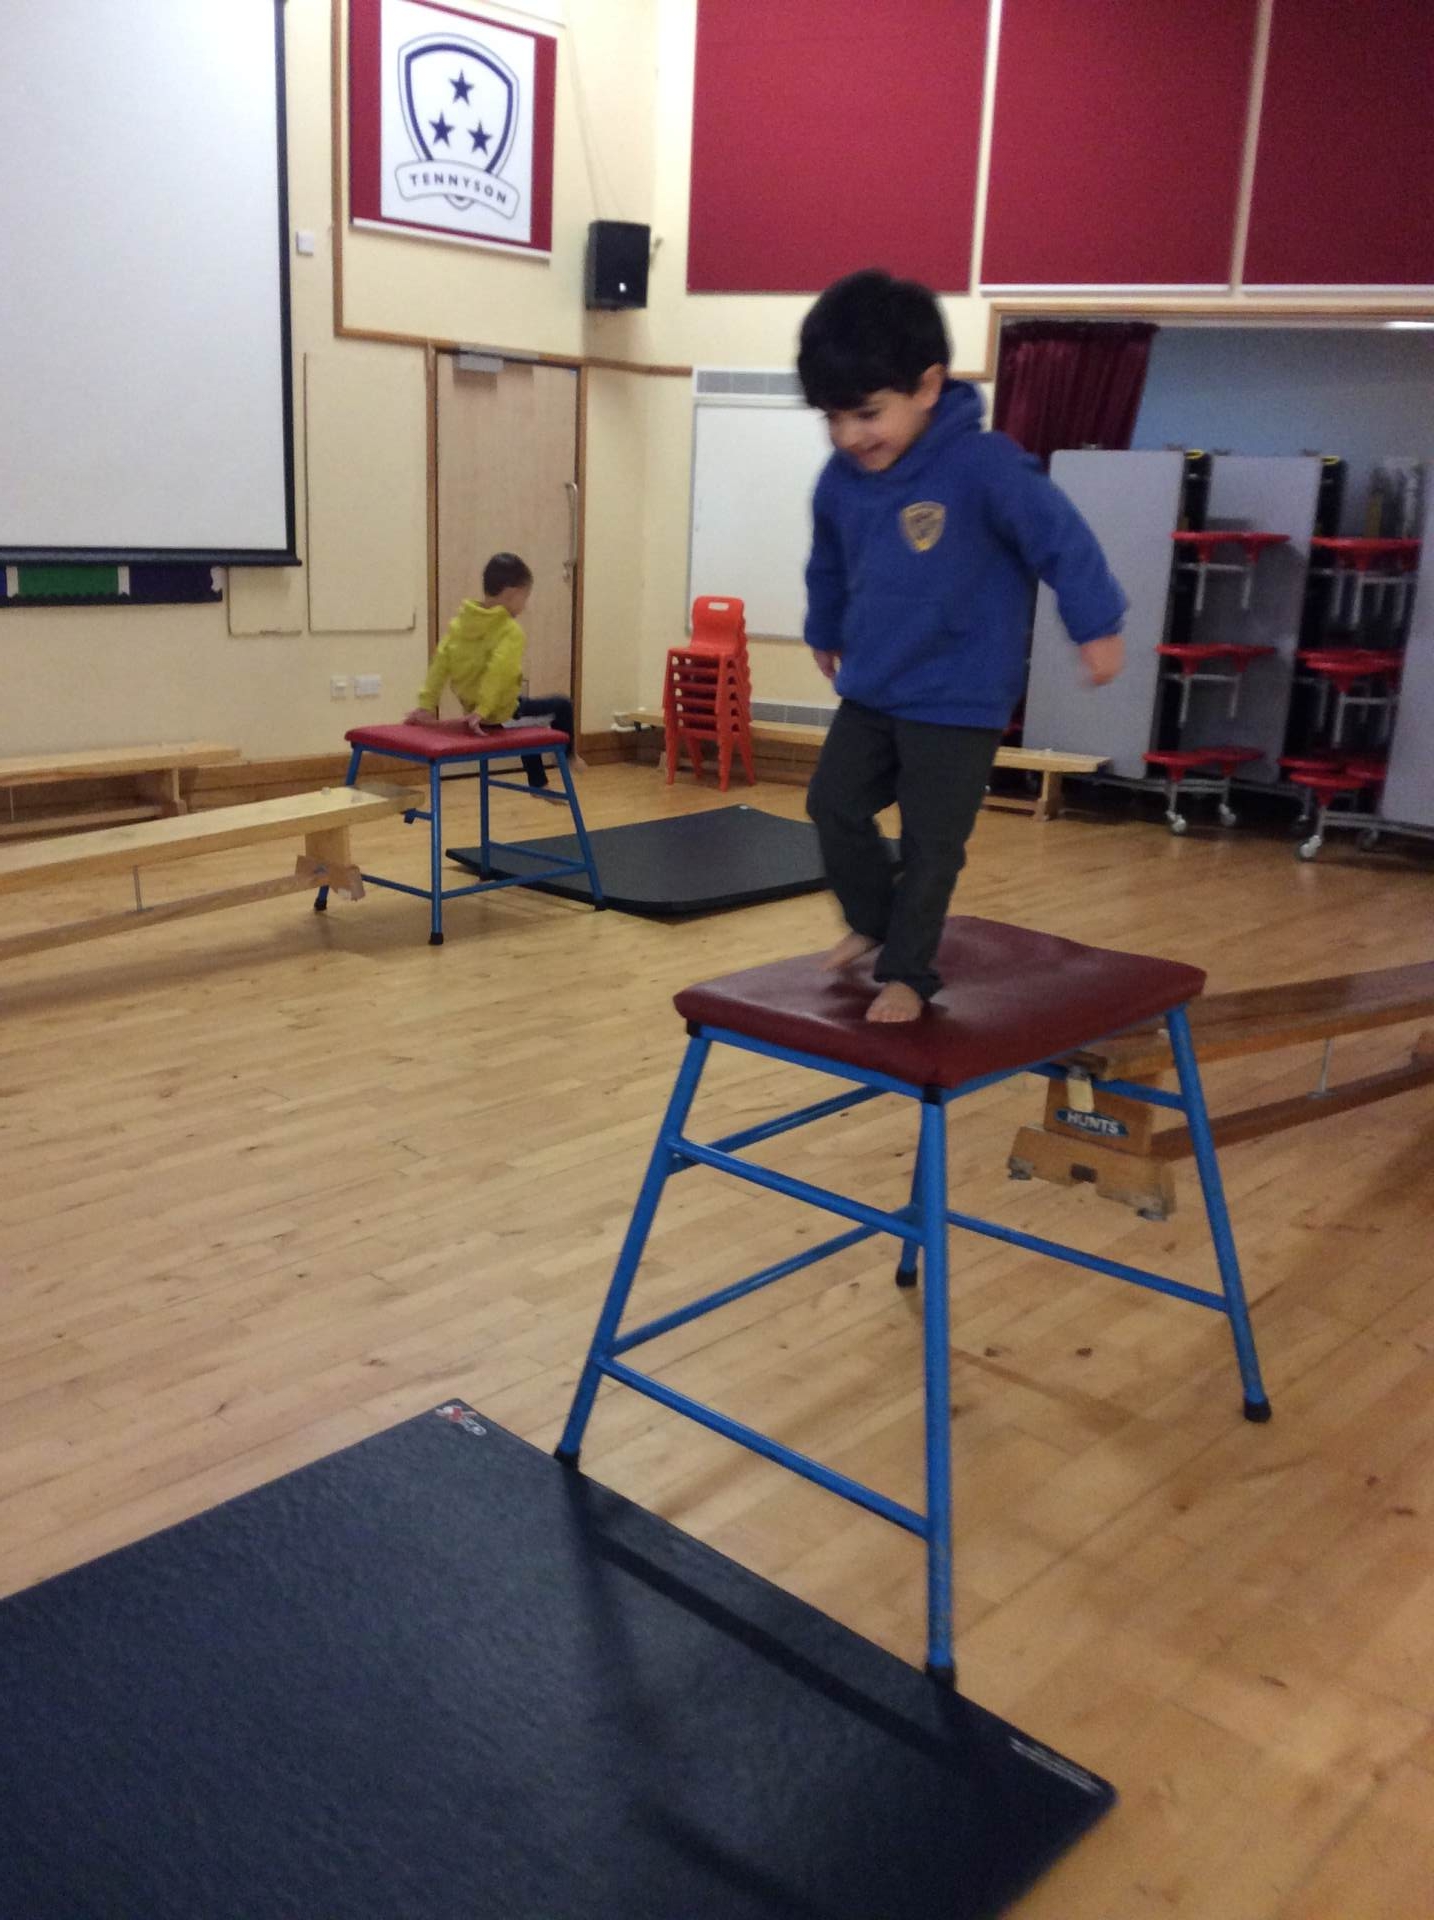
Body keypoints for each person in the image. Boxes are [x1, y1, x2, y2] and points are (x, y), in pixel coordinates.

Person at [799, 269, 1127, 1024]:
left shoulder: (984, 466)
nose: (849, 437)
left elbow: (1062, 540)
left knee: (931, 843)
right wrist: (824, 629)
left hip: (959, 699)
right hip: (875, 687)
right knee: (832, 805)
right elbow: (829, 562)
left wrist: (1097, 625)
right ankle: (873, 921)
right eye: (832, 419)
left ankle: (908, 973)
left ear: (927, 385)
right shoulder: (841, 480)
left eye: (866, 414)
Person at [404, 552, 578, 794]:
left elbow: (440, 663)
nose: (525, 605)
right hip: (496, 712)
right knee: (562, 705)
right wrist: (484, 710)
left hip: (476, 712)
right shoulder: (510, 631)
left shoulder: (461, 623)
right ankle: (569, 758)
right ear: (512, 594)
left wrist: (426, 704)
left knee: (526, 720)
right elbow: (499, 672)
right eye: (525, 597)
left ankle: (539, 783)